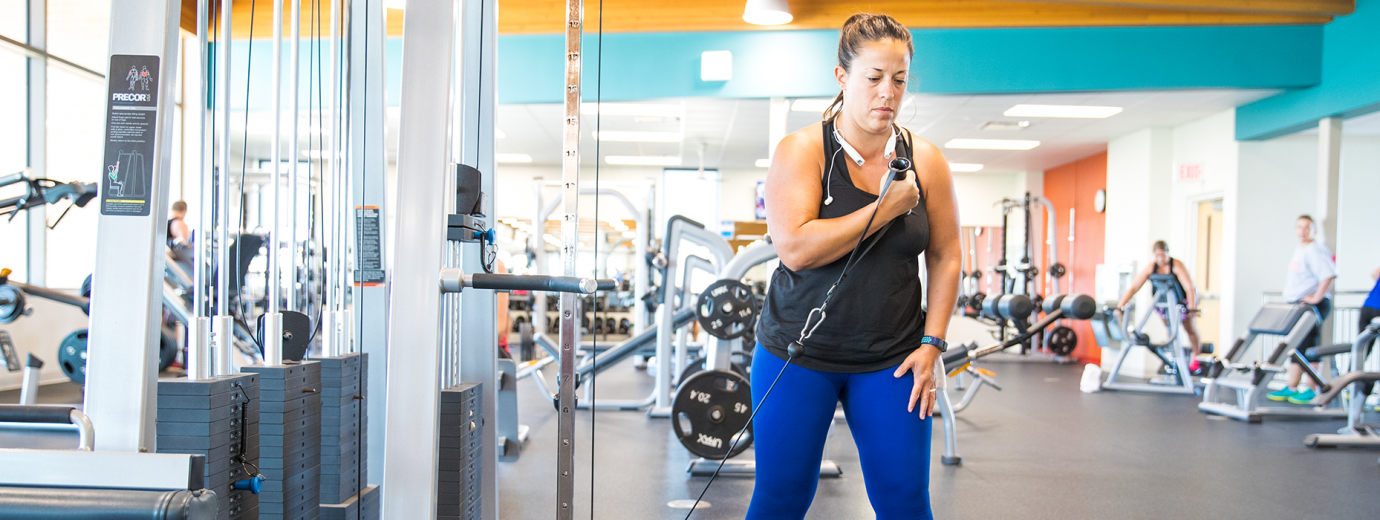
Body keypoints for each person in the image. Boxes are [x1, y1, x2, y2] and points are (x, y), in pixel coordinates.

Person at [752, 13, 960, 520]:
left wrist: (932, 343)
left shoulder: (924, 159)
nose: (887, 92)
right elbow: (795, 248)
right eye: (873, 78)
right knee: (781, 498)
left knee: (905, 500)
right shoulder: (802, 150)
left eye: (899, 79)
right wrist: (883, 209)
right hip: (796, 355)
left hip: (892, 357)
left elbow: (947, 254)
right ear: (843, 77)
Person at [1267, 215, 1336, 405]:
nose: (1302, 231)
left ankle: (1312, 389)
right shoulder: (1300, 249)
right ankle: (1292, 386)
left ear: (1314, 229)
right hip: (1300, 304)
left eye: (1307, 227)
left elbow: (1328, 275)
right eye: (1299, 227)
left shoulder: (1315, 250)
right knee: (1297, 346)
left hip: (1313, 305)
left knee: (1309, 346)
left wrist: (1316, 298)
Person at [1113, 240, 1203, 372]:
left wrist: (1192, 308)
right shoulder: (1151, 267)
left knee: (1189, 328)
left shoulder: (1176, 265)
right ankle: (1175, 359)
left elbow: (1189, 288)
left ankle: (1197, 357)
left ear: (1167, 253)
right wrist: (1119, 306)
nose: (1160, 258)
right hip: (1162, 304)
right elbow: (1134, 287)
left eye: (1162, 255)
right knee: (1170, 329)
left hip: (1182, 303)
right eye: (1157, 255)